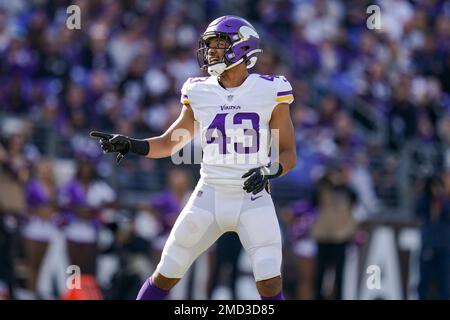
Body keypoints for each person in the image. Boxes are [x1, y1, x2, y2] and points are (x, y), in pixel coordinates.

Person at [90, 15, 297, 300]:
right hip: (208, 194)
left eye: (220, 43)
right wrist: (132, 145)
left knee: (269, 281)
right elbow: (170, 142)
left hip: (253, 197)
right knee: (165, 272)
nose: (211, 50)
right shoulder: (199, 90)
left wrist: (270, 170)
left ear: (242, 46)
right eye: (209, 44)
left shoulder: (270, 89)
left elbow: (288, 153)